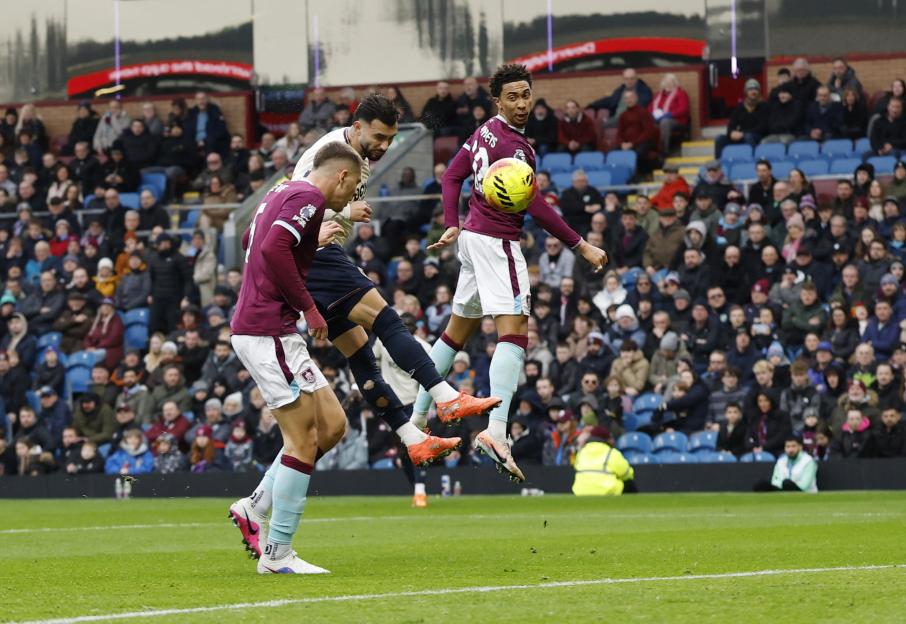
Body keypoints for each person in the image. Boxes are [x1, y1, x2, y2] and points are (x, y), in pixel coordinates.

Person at [418, 64, 608, 483]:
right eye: (512, 97)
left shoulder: (485, 131)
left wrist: (452, 221)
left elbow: (452, 176)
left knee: (455, 333)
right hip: (497, 242)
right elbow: (534, 205)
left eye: (526, 95)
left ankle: (416, 421)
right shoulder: (515, 149)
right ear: (497, 101)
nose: (521, 104)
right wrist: (581, 244)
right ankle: (497, 432)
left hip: (472, 238)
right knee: (516, 332)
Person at [571, 426, 636, 496]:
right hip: (607, 492)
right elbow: (626, 473)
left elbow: (576, 467)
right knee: (629, 483)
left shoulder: (581, 452)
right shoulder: (611, 453)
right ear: (607, 439)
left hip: (580, 492)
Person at [715, 79, 768, 157]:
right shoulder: (739, 109)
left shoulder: (764, 107)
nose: (753, 91)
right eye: (750, 89)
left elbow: (763, 128)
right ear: (745, 92)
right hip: (740, 136)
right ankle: (719, 163)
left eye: (756, 89)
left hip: (756, 136)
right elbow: (731, 126)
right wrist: (731, 133)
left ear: (759, 92)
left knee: (748, 137)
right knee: (719, 138)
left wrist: (743, 133)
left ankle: (752, 161)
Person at [753, 433, 818, 493]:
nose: (790, 450)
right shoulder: (781, 461)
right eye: (788, 446)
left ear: (800, 447)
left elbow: (804, 485)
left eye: (793, 446)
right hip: (783, 490)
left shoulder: (808, 461)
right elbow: (775, 481)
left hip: (803, 493)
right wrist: (782, 488)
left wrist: (786, 485)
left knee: (787, 483)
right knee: (762, 485)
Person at [648, 73, 690, 154]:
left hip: (676, 119)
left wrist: (669, 114)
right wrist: (652, 115)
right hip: (658, 119)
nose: (668, 85)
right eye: (666, 83)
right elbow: (650, 108)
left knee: (665, 122)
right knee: (648, 123)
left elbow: (683, 109)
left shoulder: (680, 93)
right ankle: (651, 149)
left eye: (670, 83)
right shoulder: (658, 95)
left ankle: (664, 150)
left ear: (675, 83)